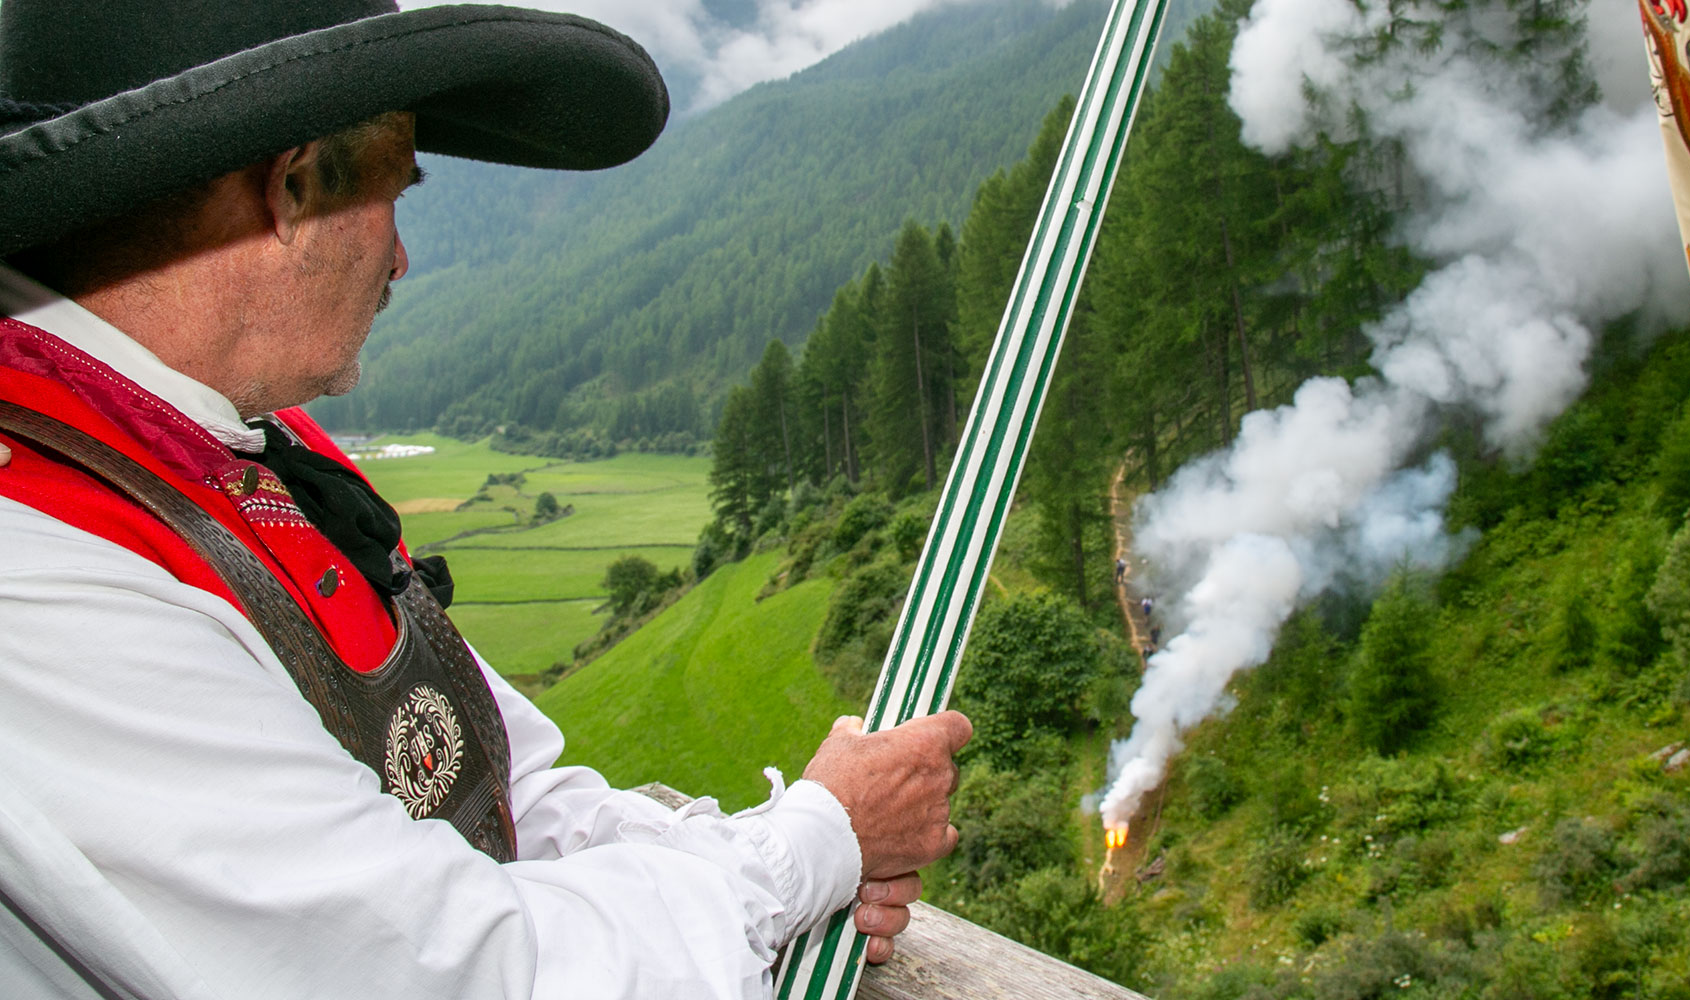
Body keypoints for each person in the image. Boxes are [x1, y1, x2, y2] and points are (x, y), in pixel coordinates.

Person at [0, 2, 968, 997]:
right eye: (391, 197)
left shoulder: (232, 454)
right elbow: (451, 970)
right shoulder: (39, 584)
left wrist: (786, 844)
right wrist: (811, 843)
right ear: (291, 190)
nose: (401, 259)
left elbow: (504, 788)